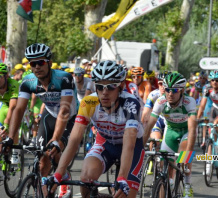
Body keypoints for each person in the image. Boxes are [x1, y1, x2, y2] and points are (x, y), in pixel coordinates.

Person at [47, 60, 144, 198]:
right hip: (106, 143)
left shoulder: (131, 104)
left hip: (132, 148)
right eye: (99, 86)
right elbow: (74, 141)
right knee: (86, 180)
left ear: (121, 85)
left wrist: (122, 177)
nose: (104, 92)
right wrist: (58, 174)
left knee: (124, 194)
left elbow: (129, 145)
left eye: (110, 87)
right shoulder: (89, 103)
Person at [3, 43, 78, 197]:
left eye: (41, 62)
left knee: (55, 148)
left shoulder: (64, 78)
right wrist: (10, 137)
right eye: (32, 63)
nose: (37, 67)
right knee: (42, 161)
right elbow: (19, 109)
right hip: (49, 115)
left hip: (69, 117)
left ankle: (63, 175)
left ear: (49, 63)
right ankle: (44, 192)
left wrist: (56, 138)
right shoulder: (27, 81)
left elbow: (64, 110)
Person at [143, 72, 197, 198]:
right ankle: (169, 183)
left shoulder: (189, 102)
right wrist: (140, 147)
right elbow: (149, 126)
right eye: (167, 90)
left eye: (174, 90)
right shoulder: (161, 101)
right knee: (164, 166)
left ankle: (188, 186)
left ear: (182, 91)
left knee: (183, 155)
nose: (170, 94)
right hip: (171, 131)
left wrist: (188, 154)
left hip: (186, 131)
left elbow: (192, 129)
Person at [197, 70, 218, 162]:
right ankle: (210, 159)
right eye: (212, 80)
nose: (214, 82)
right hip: (214, 108)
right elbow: (202, 105)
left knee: (216, 123)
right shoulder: (207, 89)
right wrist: (197, 118)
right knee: (210, 130)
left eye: (217, 80)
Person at [0, 63, 19, 163]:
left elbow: (13, 107)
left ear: (6, 76)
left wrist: (7, 124)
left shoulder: (13, 84)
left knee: (13, 124)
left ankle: (15, 152)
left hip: (17, 106)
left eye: (0, 76)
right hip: (4, 105)